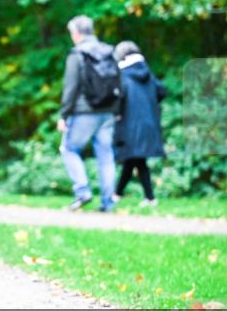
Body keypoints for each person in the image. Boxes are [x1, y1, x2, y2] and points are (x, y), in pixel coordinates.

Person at [58, 15, 120, 212]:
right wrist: (117, 109)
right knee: (106, 156)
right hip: (108, 111)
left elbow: (71, 87)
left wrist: (64, 115)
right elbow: (120, 83)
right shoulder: (109, 51)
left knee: (68, 148)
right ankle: (108, 202)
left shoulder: (77, 54)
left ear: (76, 33)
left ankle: (82, 191)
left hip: (84, 111)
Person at [112, 41, 166, 206]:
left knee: (135, 159)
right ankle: (121, 194)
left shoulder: (122, 75)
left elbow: (118, 99)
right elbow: (162, 91)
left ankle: (146, 197)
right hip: (148, 123)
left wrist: (117, 113)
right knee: (134, 160)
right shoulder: (147, 73)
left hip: (130, 125)